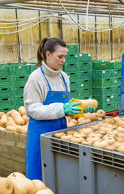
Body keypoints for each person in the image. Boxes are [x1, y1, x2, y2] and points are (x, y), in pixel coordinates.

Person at [24, 37, 82, 180]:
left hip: (60, 133)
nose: (63, 61)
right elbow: (32, 109)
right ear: (48, 54)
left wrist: (75, 110)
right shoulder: (36, 78)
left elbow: (65, 104)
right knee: (38, 177)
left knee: (59, 177)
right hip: (40, 135)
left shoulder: (64, 77)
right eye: (60, 56)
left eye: (65, 57)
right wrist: (62, 109)